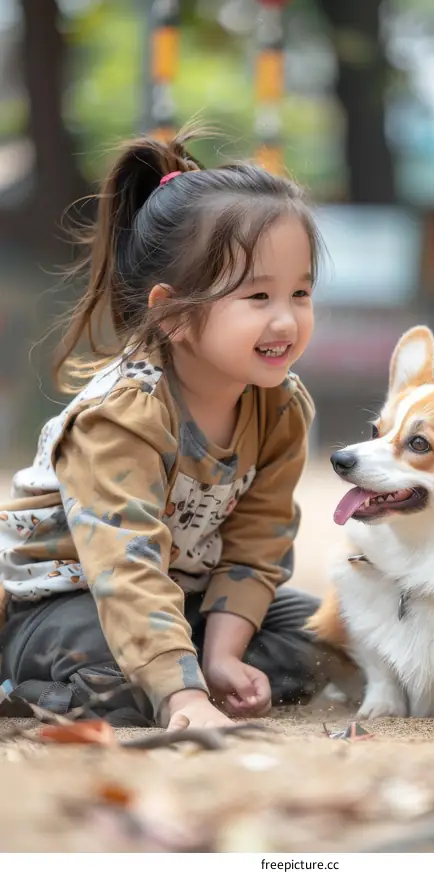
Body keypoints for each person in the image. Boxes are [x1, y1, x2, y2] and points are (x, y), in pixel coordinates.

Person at [0, 123, 336, 730]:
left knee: (336, 636)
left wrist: (224, 652)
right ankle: (42, 683)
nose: (286, 319)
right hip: (67, 601)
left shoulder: (282, 408)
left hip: (184, 599)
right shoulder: (122, 418)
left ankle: (189, 671)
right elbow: (123, 566)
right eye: (257, 297)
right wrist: (183, 697)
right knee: (121, 686)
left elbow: (259, 542)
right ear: (172, 315)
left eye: (301, 292)